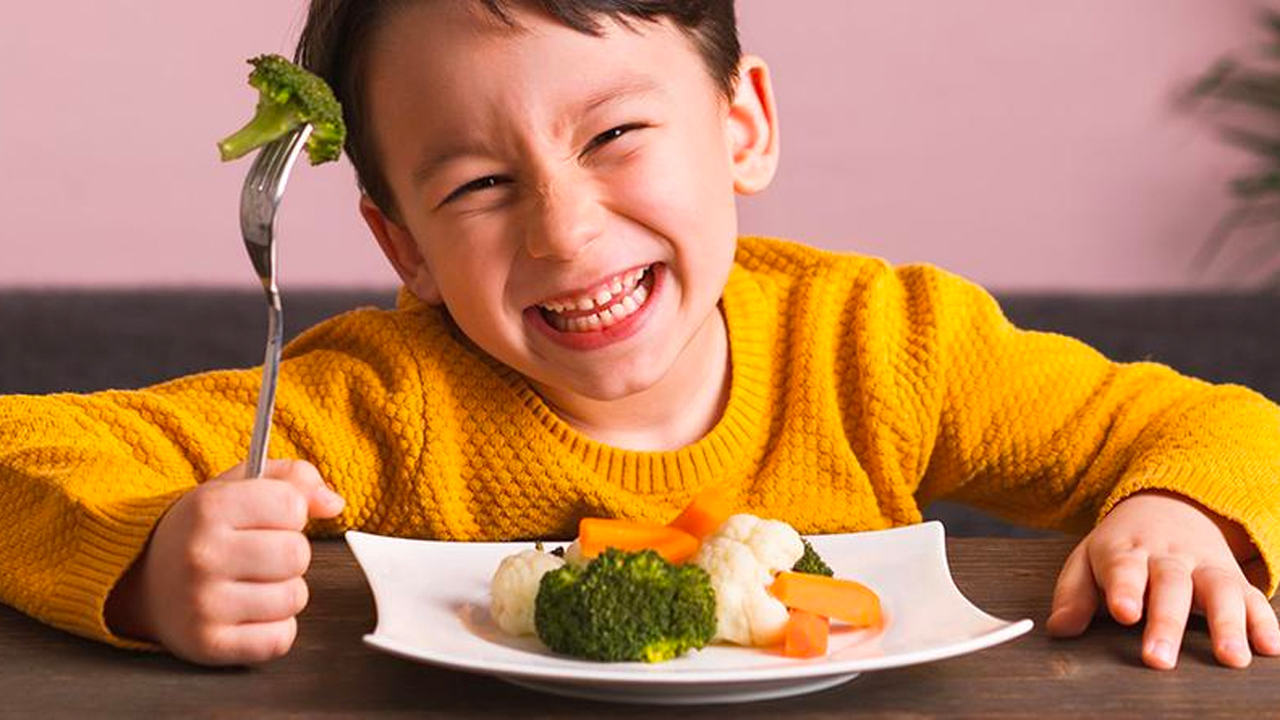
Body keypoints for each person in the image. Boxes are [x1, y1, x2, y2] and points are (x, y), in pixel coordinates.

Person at [1, 0, 1278, 672]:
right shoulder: (376, 407)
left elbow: (1217, 426)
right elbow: (23, 452)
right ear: (404, 251)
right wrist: (147, 566)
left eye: (614, 135)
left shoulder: (885, 343)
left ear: (741, 128)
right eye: (475, 188)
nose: (563, 232)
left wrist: (1180, 513)